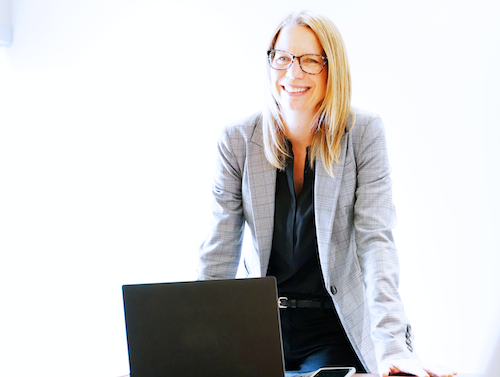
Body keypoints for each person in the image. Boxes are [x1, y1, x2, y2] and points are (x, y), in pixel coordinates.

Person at [198, 10, 456, 377]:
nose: (293, 73)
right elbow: (217, 257)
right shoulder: (238, 140)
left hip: (333, 330)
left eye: (309, 61)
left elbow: (375, 244)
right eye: (282, 58)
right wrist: (193, 341)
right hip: (260, 332)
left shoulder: (363, 133)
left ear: (331, 68)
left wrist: (393, 348)